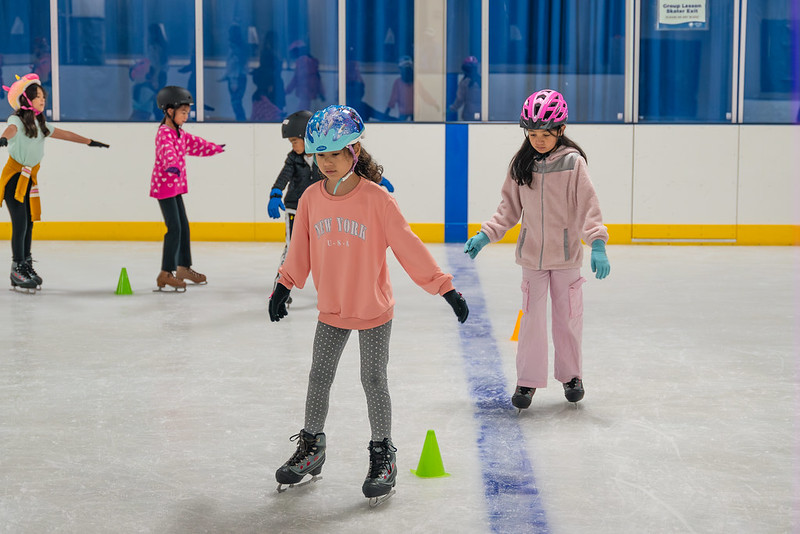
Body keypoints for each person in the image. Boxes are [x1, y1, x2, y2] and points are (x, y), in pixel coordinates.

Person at [268, 105, 469, 505]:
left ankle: (382, 455)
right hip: (334, 310)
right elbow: (299, 250)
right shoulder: (309, 198)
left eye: (334, 154)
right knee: (319, 376)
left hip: (374, 309)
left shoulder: (377, 199)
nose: (325, 162)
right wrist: (283, 285)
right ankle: (312, 448)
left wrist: (445, 288)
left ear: (353, 152)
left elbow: (409, 247)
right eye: (319, 154)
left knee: (373, 380)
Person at [464, 89, 610, 410]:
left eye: (545, 134)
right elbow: (508, 210)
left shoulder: (573, 163)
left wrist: (597, 242)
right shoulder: (522, 165)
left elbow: (588, 207)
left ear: (561, 130)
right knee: (531, 320)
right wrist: (486, 235)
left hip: (567, 255)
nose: (538, 140)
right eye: (532, 134)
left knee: (567, 318)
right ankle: (527, 381)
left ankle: (572, 375)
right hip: (532, 256)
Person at [0, 73, 109, 290]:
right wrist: (4, 138)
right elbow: (10, 130)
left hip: (30, 177)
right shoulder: (16, 120)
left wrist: (89, 142)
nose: (43, 100)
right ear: (26, 100)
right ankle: (17, 269)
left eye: (43, 96)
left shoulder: (41, 125)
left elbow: (65, 134)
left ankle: (26, 263)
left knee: (29, 222)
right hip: (14, 178)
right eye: (38, 96)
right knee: (20, 223)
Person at [150, 86, 225, 291]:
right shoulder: (164, 133)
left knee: (184, 226)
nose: (186, 116)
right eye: (183, 112)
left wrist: (214, 148)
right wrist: (172, 166)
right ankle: (165, 272)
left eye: (187, 112)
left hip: (175, 188)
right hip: (165, 188)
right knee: (174, 228)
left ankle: (183, 267)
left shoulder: (179, 134)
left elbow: (196, 144)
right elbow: (167, 153)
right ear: (169, 111)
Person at [267, 110, 322, 298]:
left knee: (322, 248)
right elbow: (284, 176)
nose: (293, 146)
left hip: (319, 210)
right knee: (292, 249)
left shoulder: (323, 156)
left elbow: (346, 170)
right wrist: (275, 193)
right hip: (294, 208)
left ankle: (329, 287)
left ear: (306, 137)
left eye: (294, 141)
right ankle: (280, 287)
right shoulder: (293, 158)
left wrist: (375, 179)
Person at [285, 41, 325, 111]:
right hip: (311, 88)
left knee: (303, 108)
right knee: (306, 107)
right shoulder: (312, 61)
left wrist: (288, 90)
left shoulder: (301, 61)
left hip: (304, 88)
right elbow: (317, 77)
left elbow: (296, 78)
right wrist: (321, 91)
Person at [448, 56, 481, 121]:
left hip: (469, 115)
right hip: (481, 114)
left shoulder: (464, 82)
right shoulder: (482, 81)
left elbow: (460, 99)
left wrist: (452, 109)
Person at [385, 56, 414, 121]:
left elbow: (424, 95)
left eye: (407, 69)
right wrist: (386, 113)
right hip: (403, 113)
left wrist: (434, 104)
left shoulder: (416, 82)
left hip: (414, 113)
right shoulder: (398, 82)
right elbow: (393, 99)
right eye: (403, 70)